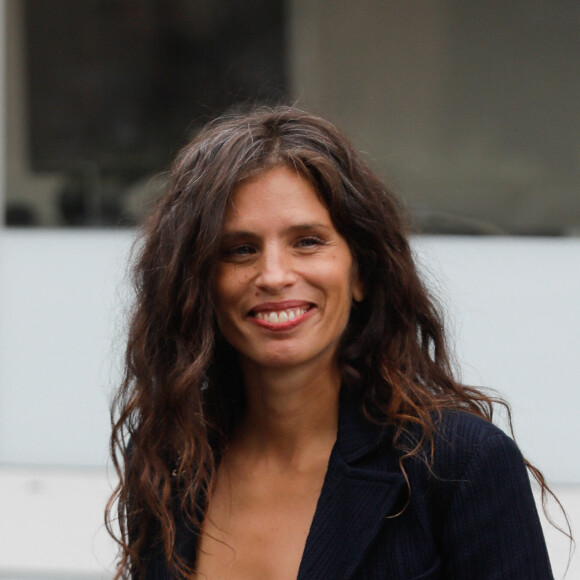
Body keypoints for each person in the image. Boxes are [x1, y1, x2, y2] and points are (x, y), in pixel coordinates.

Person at [107, 106, 560, 579]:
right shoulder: (171, 456)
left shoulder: (459, 464)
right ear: (201, 284)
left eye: (307, 241)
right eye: (241, 249)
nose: (275, 275)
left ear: (360, 271)